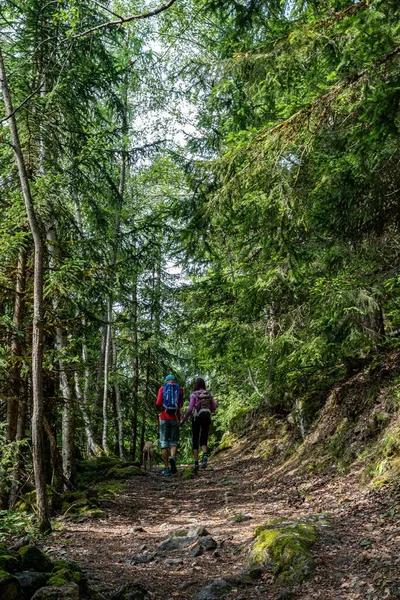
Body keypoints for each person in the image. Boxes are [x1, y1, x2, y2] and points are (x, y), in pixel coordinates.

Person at [180, 378, 216, 473]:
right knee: (204, 437)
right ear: (204, 385)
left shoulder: (194, 394)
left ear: (195, 385)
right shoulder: (209, 394)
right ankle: (204, 454)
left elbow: (190, 409)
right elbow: (214, 407)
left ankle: (196, 463)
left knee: (195, 438)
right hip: (206, 417)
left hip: (196, 418)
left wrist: (183, 420)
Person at [156, 374, 184, 476]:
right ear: (174, 381)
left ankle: (167, 469)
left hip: (164, 418)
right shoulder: (180, 389)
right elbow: (181, 404)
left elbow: (158, 403)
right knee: (174, 442)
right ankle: (172, 457)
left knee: (164, 443)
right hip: (175, 418)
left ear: (166, 381)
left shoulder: (162, 388)